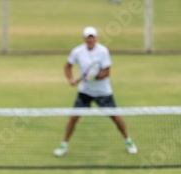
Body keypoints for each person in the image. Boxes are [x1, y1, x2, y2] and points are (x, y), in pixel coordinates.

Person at [53, 26, 137, 157]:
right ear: (84, 38)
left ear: (96, 38)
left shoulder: (103, 51)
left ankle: (128, 141)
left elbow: (107, 72)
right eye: (88, 37)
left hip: (103, 92)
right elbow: (67, 66)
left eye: (92, 37)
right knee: (73, 117)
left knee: (115, 117)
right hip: (85, 92)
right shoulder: (77, 51)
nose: (90, 39)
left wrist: (93, 77)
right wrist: (70, 79)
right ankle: (64, 145)